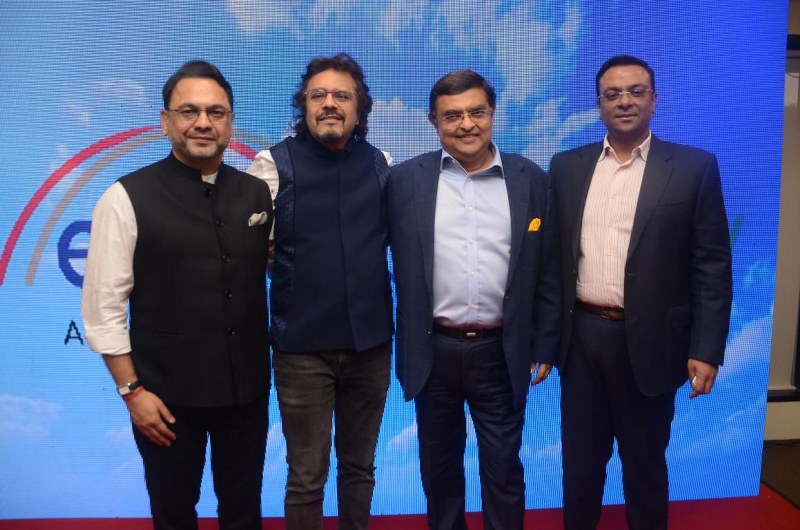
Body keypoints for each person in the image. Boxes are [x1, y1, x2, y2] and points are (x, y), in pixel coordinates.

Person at [81, 60, 273, 530]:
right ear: (165, 121)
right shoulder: (125, 197)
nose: (203, 122)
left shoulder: (256, 193)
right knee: (172, 515)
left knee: (244, 513)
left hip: (246, 395)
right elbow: (103, 310)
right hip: (163, 401)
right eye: (189, 111)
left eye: (216, 112)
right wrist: (132, 393)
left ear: (230, 123)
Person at [549, 54, 733, 530]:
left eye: (635, 91)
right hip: (582, 339)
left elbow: (712, 265)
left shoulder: (693, 167)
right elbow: (552, 261)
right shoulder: (567, 167)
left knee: (645, 465)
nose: (624, 101)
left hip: (654, 343)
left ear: (654, 99)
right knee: (579, 466)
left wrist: (706, 349)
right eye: (612, 94)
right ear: (598, 105)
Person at [389, 70, 561, 530]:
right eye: (452, 116)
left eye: (476, 112)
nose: (466, 124)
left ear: (492, 113)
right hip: (432, 351)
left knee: (503, 468)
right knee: (439, 469)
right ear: (433, 121)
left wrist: (545, 342)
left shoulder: (531, 179)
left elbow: (548, 269)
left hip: (501, 352)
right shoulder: (404, 181)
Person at [246, 52, 393, 530]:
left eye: (342, 95)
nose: (330, 103)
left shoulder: (381, 165)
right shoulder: (271, 165)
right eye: (318, 95)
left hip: (371, 350)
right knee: (307, 478)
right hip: (301, 354)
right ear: (304, 105)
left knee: (359, 470)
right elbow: (255, 254)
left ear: (359, 108)